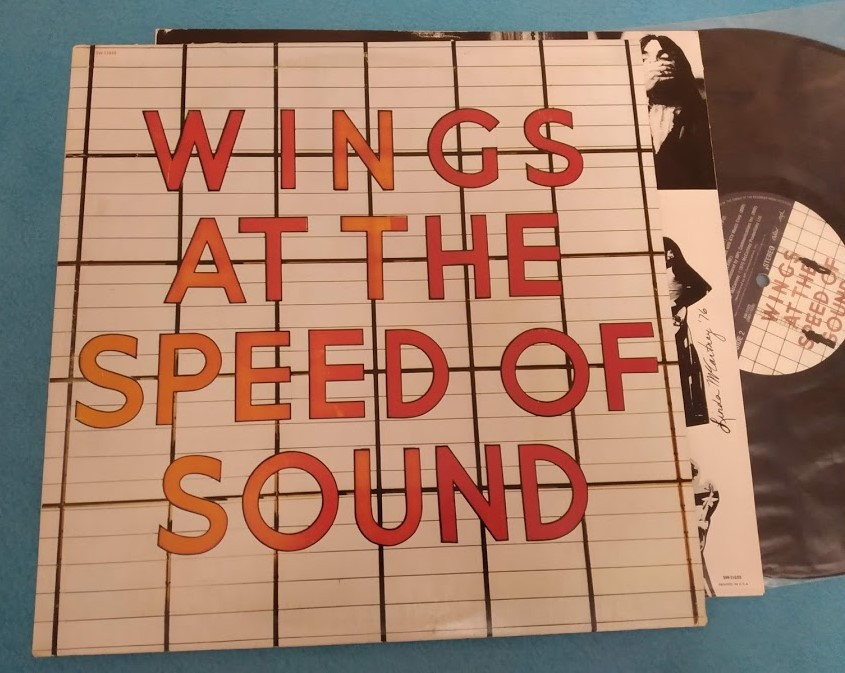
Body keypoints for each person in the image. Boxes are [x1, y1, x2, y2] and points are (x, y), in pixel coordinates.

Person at [640, 35, 717, 190]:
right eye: (643, 60)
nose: (653, 65)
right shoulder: (631, 114)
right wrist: (639, 90)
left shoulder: (704, 115)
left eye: (664, 58)